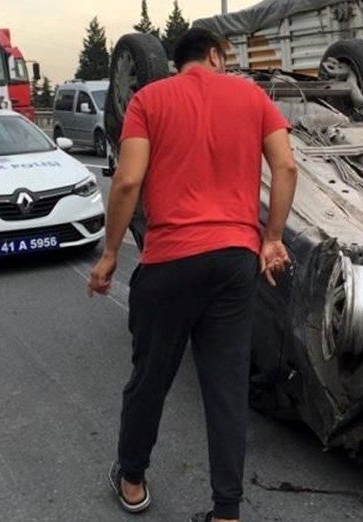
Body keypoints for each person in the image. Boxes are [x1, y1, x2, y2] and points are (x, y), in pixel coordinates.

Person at [88, 28, 298, 522]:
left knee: (150, 378)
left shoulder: (147, 100)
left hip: (170, 261)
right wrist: (271, 238)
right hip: (233, 260)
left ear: (176, 61)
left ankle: (133, 479)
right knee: (225, 389)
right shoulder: (251, 96)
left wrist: (111, 252)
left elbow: (128, 180)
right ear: (215, 55)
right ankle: (226, 511)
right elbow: (285, 167)